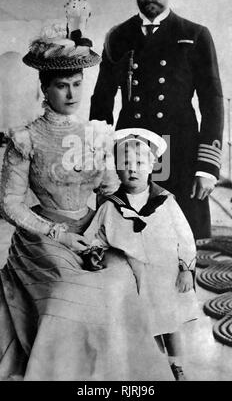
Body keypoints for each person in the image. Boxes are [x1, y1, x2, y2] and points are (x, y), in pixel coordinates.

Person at [0, 0, 173, 381]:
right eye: (62, 85)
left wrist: (130, 215)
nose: (72, 93)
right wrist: (57, 233)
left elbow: (112, 189)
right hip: (44, 237)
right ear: (45, 88)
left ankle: (114, 376)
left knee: (120, 278)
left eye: (78, 84)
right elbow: (8, 202)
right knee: (71, 290)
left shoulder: (96, 134)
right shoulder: (26, 138)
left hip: (94, 230)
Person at [89, 0, 224, 241]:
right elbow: (101, 102)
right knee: (128, 239)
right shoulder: (118, 36)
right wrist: (100, 158)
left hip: (179, 150)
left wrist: (208, 167)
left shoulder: (195, 35)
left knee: (179, 244)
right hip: (132, 151)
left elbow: (213, 104)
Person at [84, 128, 199, 381]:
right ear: (117, 168)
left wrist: (186, 269)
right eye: (125, 164)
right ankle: (156, 364)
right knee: (148, 324)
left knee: (171, 325)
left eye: (139, 163)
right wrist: (94, 251)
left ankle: (177, 366)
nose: (133, 170)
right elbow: (98, 235)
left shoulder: (165, 201)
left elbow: (185, 237)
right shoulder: (112, 206)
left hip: (166, 274)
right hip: (137, 277)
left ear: (152, 166)